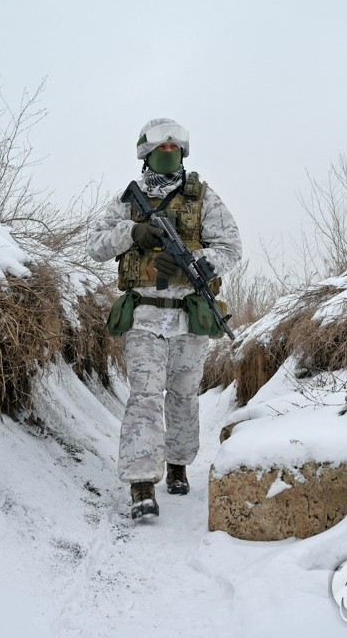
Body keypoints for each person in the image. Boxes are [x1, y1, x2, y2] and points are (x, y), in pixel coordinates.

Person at [88, 118, 242, 520]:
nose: (169, 154)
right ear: (147, 153)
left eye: (176, 149)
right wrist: (132, 233)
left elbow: (231, 245)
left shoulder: (203, 198)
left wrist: (200, 266)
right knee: (144, 396)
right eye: (163, 149)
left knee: (183, 395)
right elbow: (95, 245)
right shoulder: (127, 201)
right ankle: (141, 482)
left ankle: (177, 463)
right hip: (143, 315)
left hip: (188, 318)